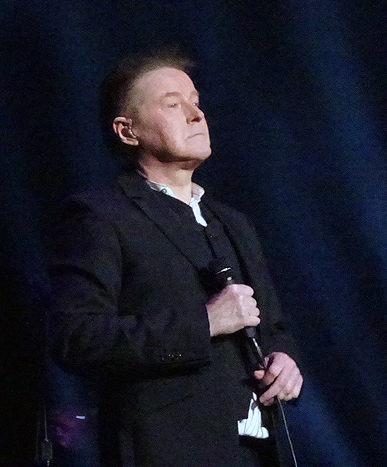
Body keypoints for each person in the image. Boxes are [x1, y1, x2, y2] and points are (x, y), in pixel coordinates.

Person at [48, 51, 302, 467]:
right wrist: (204, 323)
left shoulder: (234, 223)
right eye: (172, 104)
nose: (196, 114)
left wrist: (286, 362)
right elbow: (77, 337)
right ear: (127, 131)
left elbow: (273, 329)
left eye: (196, 102)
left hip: (258, 451)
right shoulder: (100, 216)